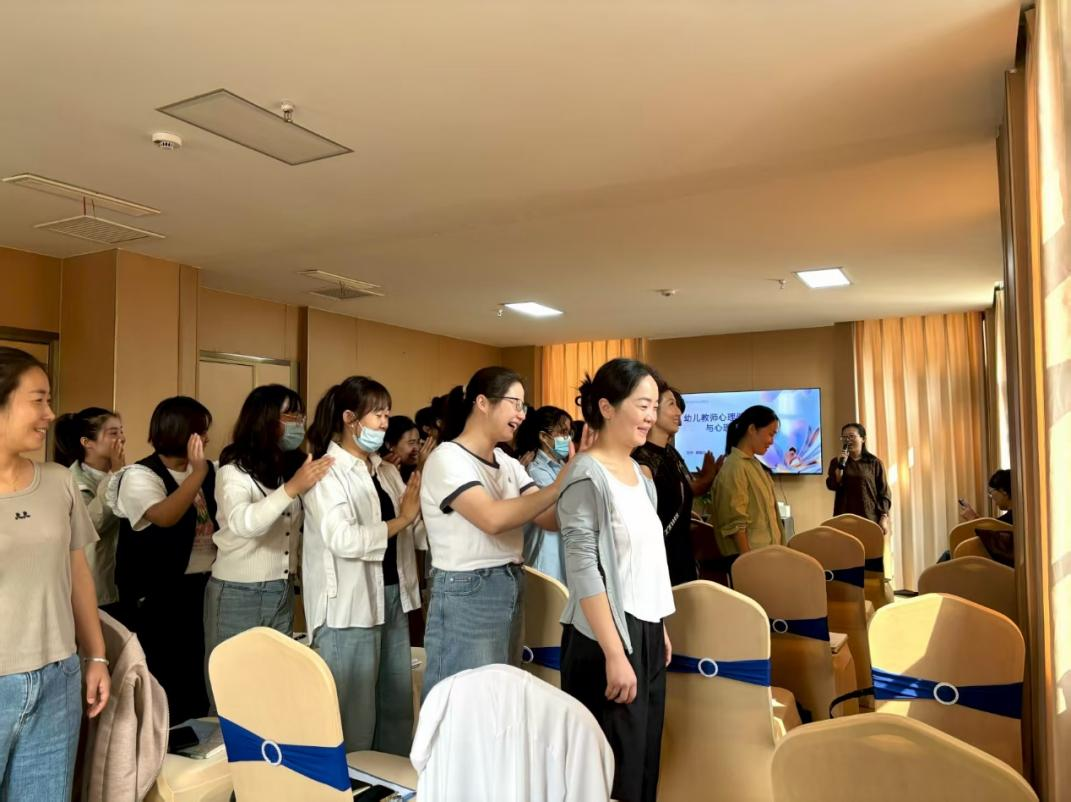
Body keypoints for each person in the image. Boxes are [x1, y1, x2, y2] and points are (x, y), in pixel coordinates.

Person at [557, 358, 674, 802]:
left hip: (644, 631)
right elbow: (583, 568)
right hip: (604, 635)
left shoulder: (642, 478)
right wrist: (614, 652)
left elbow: (642, 561)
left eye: (654, 406)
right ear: (606, 407)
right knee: (611, 771)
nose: (650, 416)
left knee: (644, 762)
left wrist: (659, 625)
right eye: (642, 405)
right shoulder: (586, 474)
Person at [0, 347, 110, 799]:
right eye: (38, 400)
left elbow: (76, 572)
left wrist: (96, 656)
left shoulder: (58, 481)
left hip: (58, 677)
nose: (49, 414)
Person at [420, 367, 562, 699]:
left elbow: (548, 518)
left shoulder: (505, 461)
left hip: (509, 582)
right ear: (482, 402)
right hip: (468, 589)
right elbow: (492, 519)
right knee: (464, 699)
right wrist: (558, 486)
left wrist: (581, 479)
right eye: (515, 403)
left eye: (524, 406)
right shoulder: (447, 458)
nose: (521, 415)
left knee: (498, 698)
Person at [303, 377, 424, 754]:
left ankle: (389, 780)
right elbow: (344, 539)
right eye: (378, 416)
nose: (385, 424)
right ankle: (352, 783)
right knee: (353, 718)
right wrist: (402, 520)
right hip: (348, 607)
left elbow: (414, 527)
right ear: (350, 418)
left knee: (396, 709)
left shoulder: (384, 470)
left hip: (391, 596)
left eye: (387, 415)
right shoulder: (326, 472)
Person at [204, 385, 333, 687]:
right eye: (291, 416)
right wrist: (292, 488)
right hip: (237, 592)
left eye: (301, 416)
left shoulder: (288, 467)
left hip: (281, 589)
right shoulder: (233, 470)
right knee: (232, 686)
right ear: (264, 418)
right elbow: (244, 524)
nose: (298, 423)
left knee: (273, 684)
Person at [108, 396, 217, 723]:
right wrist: (197, 473)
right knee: (164, 673)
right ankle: (162, 742)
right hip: (156, 592)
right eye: (200, 431)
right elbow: (164, 516)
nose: (206, 439)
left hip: (203, 584)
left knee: (197, 670)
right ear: (181, 433)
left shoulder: (209, 471)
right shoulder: (139, 475)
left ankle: (196, 740)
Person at [633, 386, 721, 586]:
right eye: (671, 404)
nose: (679, 413)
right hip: (658, 564)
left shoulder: (671, 454)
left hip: (682, 556)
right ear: (652, 410)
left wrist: (708, 477)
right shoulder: (641, 460)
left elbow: (685, 492)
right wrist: (708, 476)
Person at [54, 406, 126, 615]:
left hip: (123, 584)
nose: (122, 438)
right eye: (113, 433)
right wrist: (116, 475)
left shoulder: (120, 475)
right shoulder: (72, 481)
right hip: (96, 588)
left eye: (121, 431)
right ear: (87, 442)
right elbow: (92, 525)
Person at [712, 405, 785, 564]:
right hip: (752, 561)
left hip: (767, 558)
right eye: (770, 434)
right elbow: (735, 524)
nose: (771, 441)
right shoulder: (734, 467)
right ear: (752, 429)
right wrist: (747, 563)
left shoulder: (754, 465)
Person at [513, 405, 573, 581]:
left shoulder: (561, 466)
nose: (568, 439)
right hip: (545, 557)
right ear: (544, 436)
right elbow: (561, 508)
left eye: (569, 433)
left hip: (561, 555)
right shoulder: (535, 470)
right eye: (563, 432)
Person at [825, 422, 891, 534]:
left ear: (863, 439)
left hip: (869, 518)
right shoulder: (836, 462)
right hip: (844, 519)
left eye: (851, 436)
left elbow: (884, 492)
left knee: (870, 545)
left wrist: (883, 518)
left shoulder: (874, 463)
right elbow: (832, 485)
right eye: (844, 437)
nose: (848, 440)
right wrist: (841, 465)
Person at [381, 415, 428, 483]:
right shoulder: (378, 470)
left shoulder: (412, 467)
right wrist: (420, 465)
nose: (417, 448)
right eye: (411, 442)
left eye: (418, 442)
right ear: (390, 445)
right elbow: (408, 489)